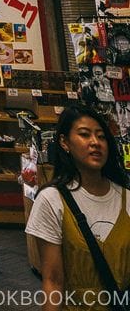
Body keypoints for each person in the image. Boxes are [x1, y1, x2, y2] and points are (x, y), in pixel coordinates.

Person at [27, 104, 130, 306]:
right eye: (84, 135)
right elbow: (53, 280)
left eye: (101, 137)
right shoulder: (52, 200)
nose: (95, 142)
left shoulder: (126, 197)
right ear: (64, 143)